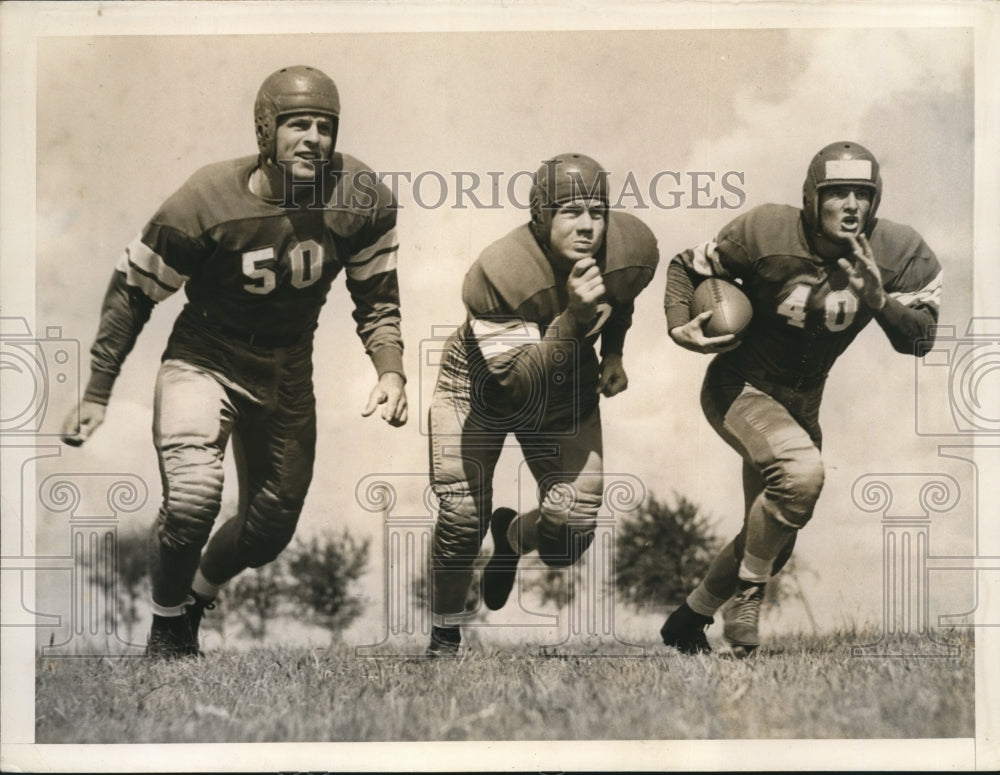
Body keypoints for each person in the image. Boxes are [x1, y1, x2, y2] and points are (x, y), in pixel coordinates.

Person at [60, 65, 408, 658]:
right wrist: (98, 389)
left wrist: (391, 368)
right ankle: (168, 630)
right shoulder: (206, 200)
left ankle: (194, 599)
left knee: (268, 532)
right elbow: (133, 292)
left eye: (325, 127)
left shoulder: (361, 197)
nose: (313, 138)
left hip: (288, 370)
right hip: (205, 357)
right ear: (265, 131)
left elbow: (377, 295)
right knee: (195, 495)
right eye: (298, 124)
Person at [661, 140, 942, 656]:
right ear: (813, 198)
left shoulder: (900, 252)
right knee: (801, 477)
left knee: (774, 537)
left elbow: (920, 340)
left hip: (803, 403)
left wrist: (878, 298)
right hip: (740, 387)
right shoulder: (765, 231)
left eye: (863, 192)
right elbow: (685, 266)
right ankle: (747, 597)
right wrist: (681, 326)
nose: (852, 204)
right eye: (838, 193)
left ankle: (688, 619)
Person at [427, 153, 659, 655]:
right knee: (463, 517)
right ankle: (444, 635)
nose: (587, 226)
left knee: (571, 532)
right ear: (541, 215)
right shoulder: (500, 271)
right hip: (479, 388)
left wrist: (614, 352)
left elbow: (621, 295)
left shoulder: (627, 249)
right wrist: (573, 319)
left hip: (566, 385)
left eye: (597, 212)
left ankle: (511, 537)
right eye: (570, 212)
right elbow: (513, 385)